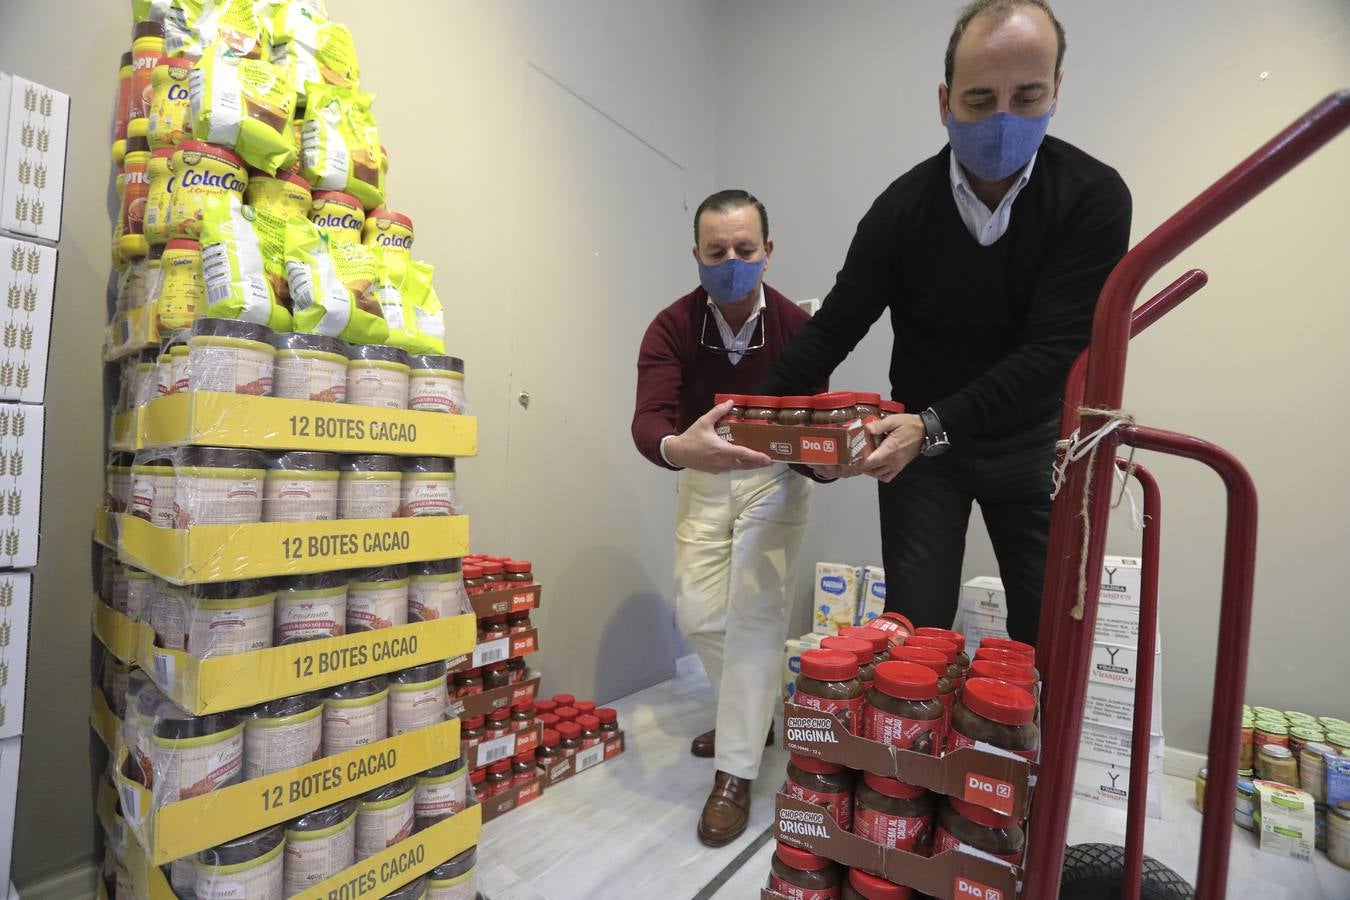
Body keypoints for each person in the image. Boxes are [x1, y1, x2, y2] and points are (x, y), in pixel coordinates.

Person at [756, 0, 1131, 646]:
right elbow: (832, 330)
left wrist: (931, 426)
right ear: (944, 100)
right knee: (914, 636)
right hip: (927, 457)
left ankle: (1031, 750)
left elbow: (1054, 351)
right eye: (981, 99)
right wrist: (765, 423)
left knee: (1047, 642)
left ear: (1057, 90)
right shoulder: (900, 211)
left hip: (1033, 442)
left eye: (1027, 96)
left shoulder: (1093, 197)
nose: (1003, 119)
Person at [631, 190, 825, 847]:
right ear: (697, 256)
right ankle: (755, 709)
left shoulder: (799, 326)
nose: (732, 263)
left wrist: (831, 459)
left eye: (746, 250)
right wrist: (679, 448)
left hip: (775, 479)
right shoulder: (672, 327)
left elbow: (818, 428)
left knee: (756, 614)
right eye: (717, 253)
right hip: (704, 472)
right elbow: (649, 419)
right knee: (696, 610)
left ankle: (735, 772)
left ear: (769, 252)